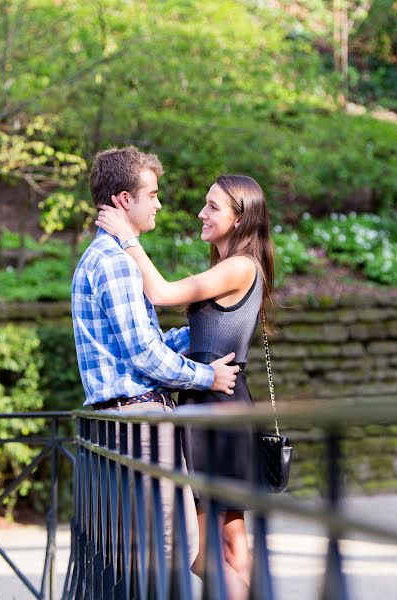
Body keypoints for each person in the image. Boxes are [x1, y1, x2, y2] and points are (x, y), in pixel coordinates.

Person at [95, 174, 275, 600]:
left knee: (208, 549)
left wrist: (126, 238)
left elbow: (159, 293)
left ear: (239, 217)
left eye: (213, 206)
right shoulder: (231, 266)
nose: (202, 213)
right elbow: (200, 337)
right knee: (231, 545)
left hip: (216, 409)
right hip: (215, 403)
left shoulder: (239, 266)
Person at [71, 146, 241, 566]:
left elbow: (143, 342)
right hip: (140, 422)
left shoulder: (104, 258)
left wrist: (202, 333)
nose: (159, 204)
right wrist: (206, 377)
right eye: (152, 195)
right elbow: (145, 355)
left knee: (141, 557)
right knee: (169, 551)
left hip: (124, 421)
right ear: (125, 200)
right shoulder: (115, 262)